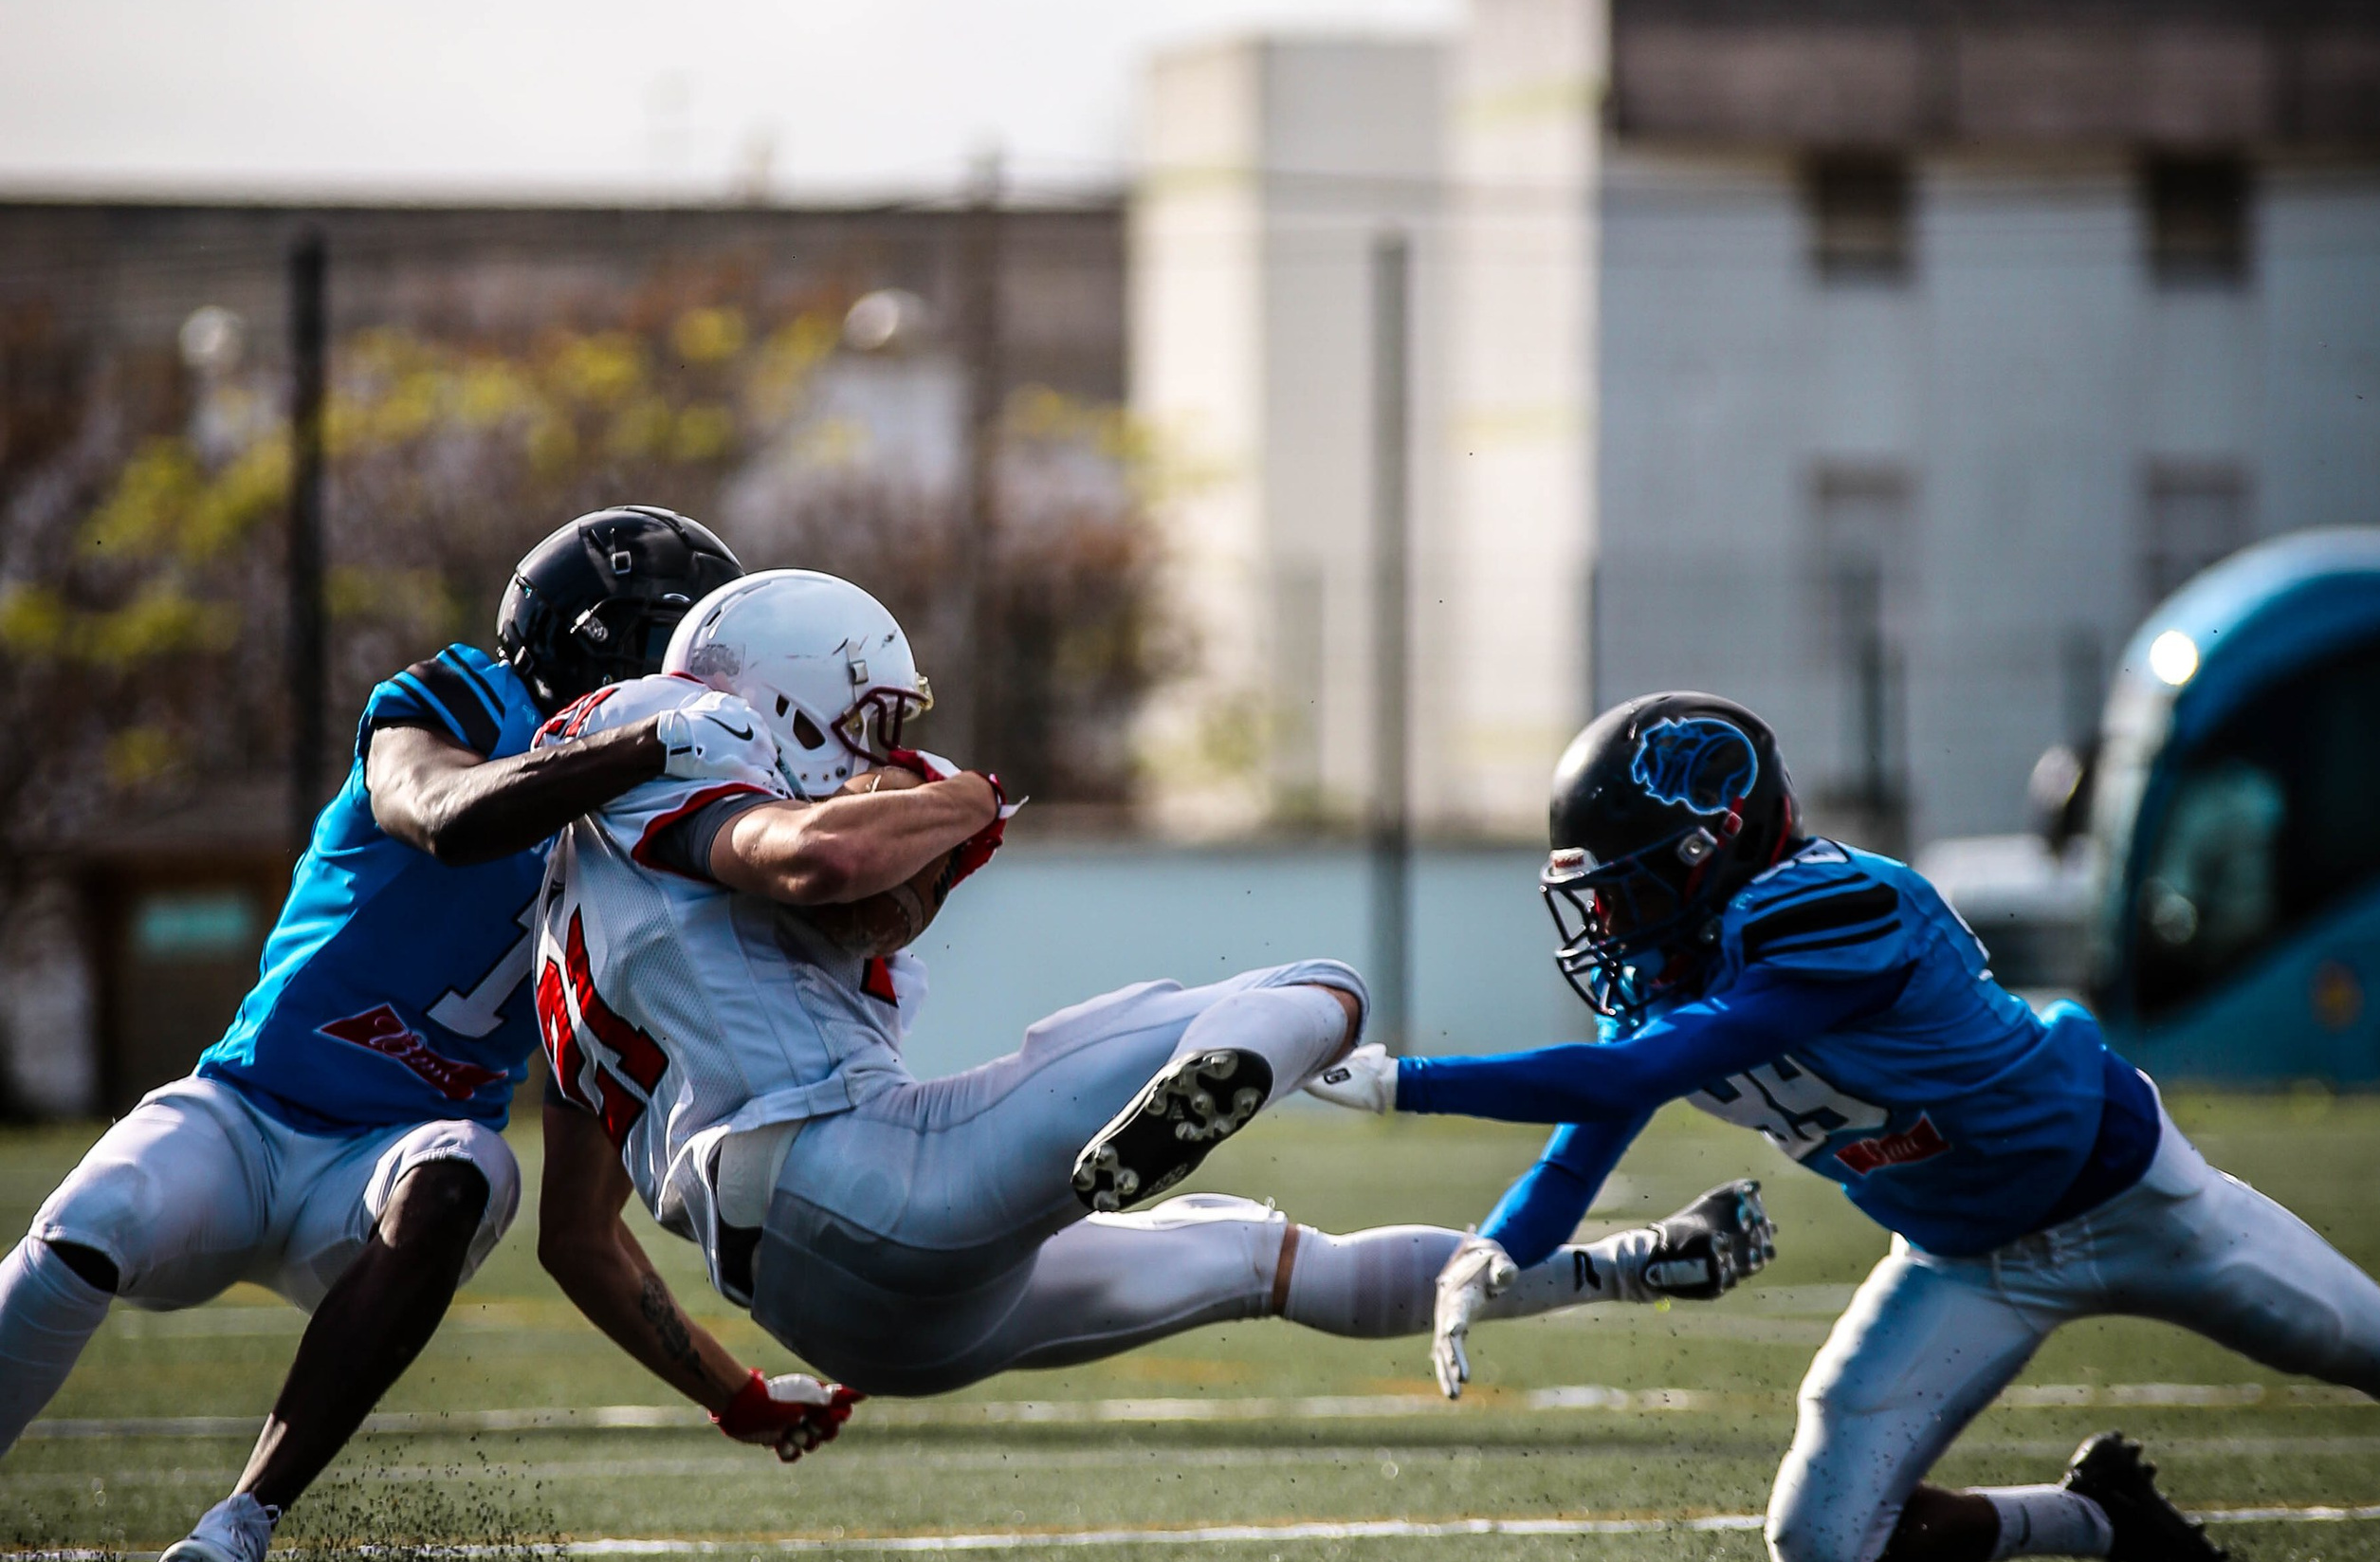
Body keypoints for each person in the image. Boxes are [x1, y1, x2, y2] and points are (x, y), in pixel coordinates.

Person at [530, 572, 1774, 1416]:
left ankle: (1615, 1268)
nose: (884, 744)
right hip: (858, 1172)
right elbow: (822, 859)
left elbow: (581, 1230)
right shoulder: (669, 724)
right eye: (872, 719)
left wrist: (734, 1398)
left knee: (1266, 1255)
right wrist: (965, 801)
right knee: (1323, 988)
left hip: (840, 1313)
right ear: (785, 687)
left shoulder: (580, 905)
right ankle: (1203, 1084)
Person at [1308, 689, 2380, 1562]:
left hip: (2127, 1196)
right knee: (1823, 1552)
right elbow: (1577, 1152)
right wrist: (1491, 1255)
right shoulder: (1664, 970)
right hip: (1960, 1257)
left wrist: (1407, 1081)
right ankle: (2096, 1517)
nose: (1605, 920)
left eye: (1628, 882)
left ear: (1714, 846)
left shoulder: (1836, 907)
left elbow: (1635, 1073)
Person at [0, 504, 743, 1562]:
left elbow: (579, 1233)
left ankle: (238, 1528)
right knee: (87, 1223)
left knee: (467, 1172)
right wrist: (645, 746)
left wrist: (734, 1396)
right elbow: (441, 815)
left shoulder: (652, 848)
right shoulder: (453, 700)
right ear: (611, 645)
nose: (699, 691)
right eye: (683, 656)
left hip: (380, 1170)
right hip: (247, 1114)